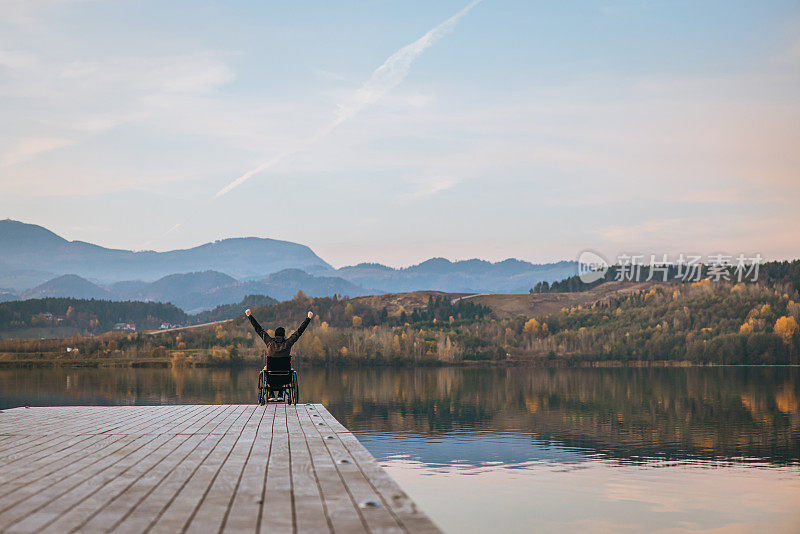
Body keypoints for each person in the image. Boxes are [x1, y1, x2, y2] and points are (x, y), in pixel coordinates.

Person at [246, 308, 313, 400]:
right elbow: (299, 332)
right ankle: (281, 394)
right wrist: (308, 318)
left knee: (266, 370)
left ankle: (271, 395)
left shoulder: (269, 342)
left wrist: (249, 316)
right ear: (284, 335)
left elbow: (259, 329)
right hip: (286, 376)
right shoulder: (288, 343)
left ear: (275, 335)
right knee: (285, 369)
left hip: (270, 376)